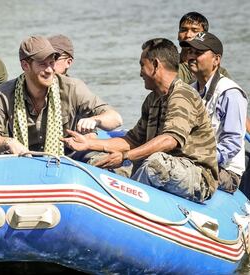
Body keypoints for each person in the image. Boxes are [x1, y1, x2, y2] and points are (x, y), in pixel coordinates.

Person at [61, 38, 218, 203]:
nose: (140, 72)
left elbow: (170, 140)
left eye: (142, 65)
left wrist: (125, 156)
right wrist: (88, 144)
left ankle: (126, 207)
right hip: (159, 166)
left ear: (156, 65)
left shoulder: (182, 95)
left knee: (155, 164)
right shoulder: (152, 100)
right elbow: (132, 140)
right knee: (98, 160)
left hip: (196, 175)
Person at [0, 36, 123, 158]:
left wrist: (95, 120)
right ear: (25, 65)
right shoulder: (5, 93)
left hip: (67, 159)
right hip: (21, 158)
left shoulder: (72, 87)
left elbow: (116, 118)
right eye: (42, 64)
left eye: (52, 62)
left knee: (97, 157)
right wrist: (8, 142)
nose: (49, 70)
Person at [180, 32, 248, 193]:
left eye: (198, 53)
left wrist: (199, 158)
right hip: (193, 162)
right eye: (190, 52)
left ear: (216, 60)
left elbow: (232, 142)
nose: (192, 56)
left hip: (225, 172)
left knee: (164, 171)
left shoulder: (230, 93)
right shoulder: (189, 90)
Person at [177, 12, 230, 83]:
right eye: (183, 30)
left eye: (194, 30)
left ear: (204, 36)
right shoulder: (171, 65)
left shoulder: (219, 71)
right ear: (178, 34)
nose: (188, 35)